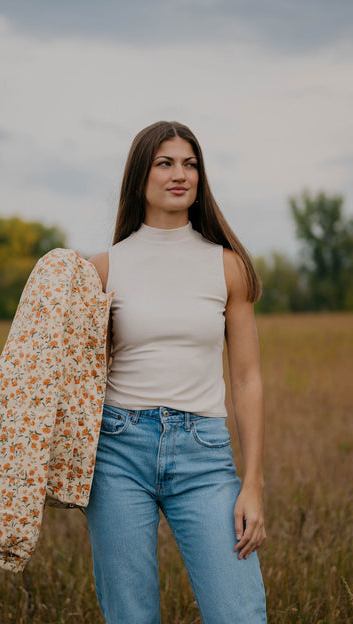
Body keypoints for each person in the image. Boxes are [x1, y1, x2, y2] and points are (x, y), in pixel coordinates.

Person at [84, 120, 267, 624]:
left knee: (240, 612)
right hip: (118, 451)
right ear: (140, 175)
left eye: (190, 163)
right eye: (165, 162)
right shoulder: (102, 269)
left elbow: (248, 379)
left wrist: (252, 483)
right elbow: (74, 376)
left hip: (204, 454)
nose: (179, 174)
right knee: (130, 615)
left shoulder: (228, 267)